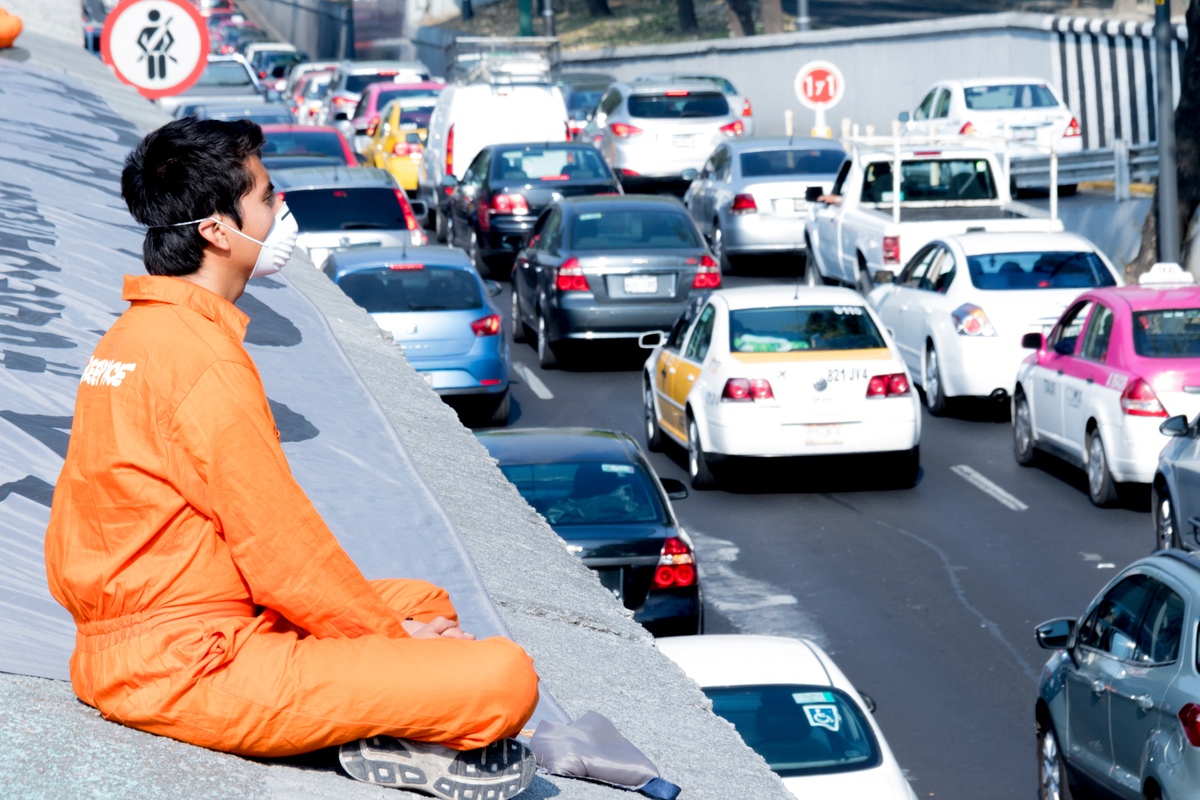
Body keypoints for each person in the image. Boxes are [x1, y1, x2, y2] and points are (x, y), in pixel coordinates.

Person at [44, 117, 540, 798]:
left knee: (423, 598)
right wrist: (393, 649)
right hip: (190, 663)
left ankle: (381, 710)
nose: (283, 212)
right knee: (502, 677)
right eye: (269, 199)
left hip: (142, 635)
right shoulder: (203, 358)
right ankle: (381, 727)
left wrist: (392, 631)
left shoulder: (130, 336)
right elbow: (280, 551)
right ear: (218, 230)